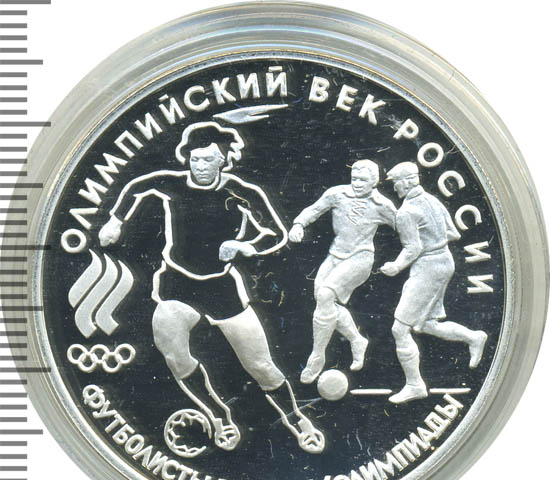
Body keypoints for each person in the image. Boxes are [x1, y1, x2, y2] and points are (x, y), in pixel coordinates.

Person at [99, 121, 325, 454]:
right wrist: (115, 220)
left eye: (208, 159)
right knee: (174, 354)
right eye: (195, 159)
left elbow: (275, 234)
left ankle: (297, 419)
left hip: (221, 289)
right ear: (187, 158)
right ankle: (219, 416)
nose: (201, 166)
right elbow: (137, 186)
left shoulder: (241, 192)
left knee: (261, 367)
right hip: (177, 284)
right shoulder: (172, 184)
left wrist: (245, 246)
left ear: (223, 160)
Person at [381, 161, 487, 404]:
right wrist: (434, 239)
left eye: (396, 182)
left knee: (400, 328)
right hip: (445, 261)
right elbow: (453, 234)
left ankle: (415, 385)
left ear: (406, 182)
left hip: (427, 268)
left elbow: (413, 248)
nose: (394, 187)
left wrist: (395, 266)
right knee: (428, 324)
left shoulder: (406, 212)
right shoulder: (433, 200)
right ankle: (474, 337)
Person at [289, 159, 396, 384]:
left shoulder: (382, 205)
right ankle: (357, 340)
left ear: (374, 181)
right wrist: (299, 224)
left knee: (326, 295)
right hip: (335, 256)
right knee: (324, 301)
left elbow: (406, 227)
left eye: (363, 180)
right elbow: (315, 209)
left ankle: (317, 356)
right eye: (354, 178)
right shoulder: (337, 194)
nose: (357, 183)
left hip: (360, 259)